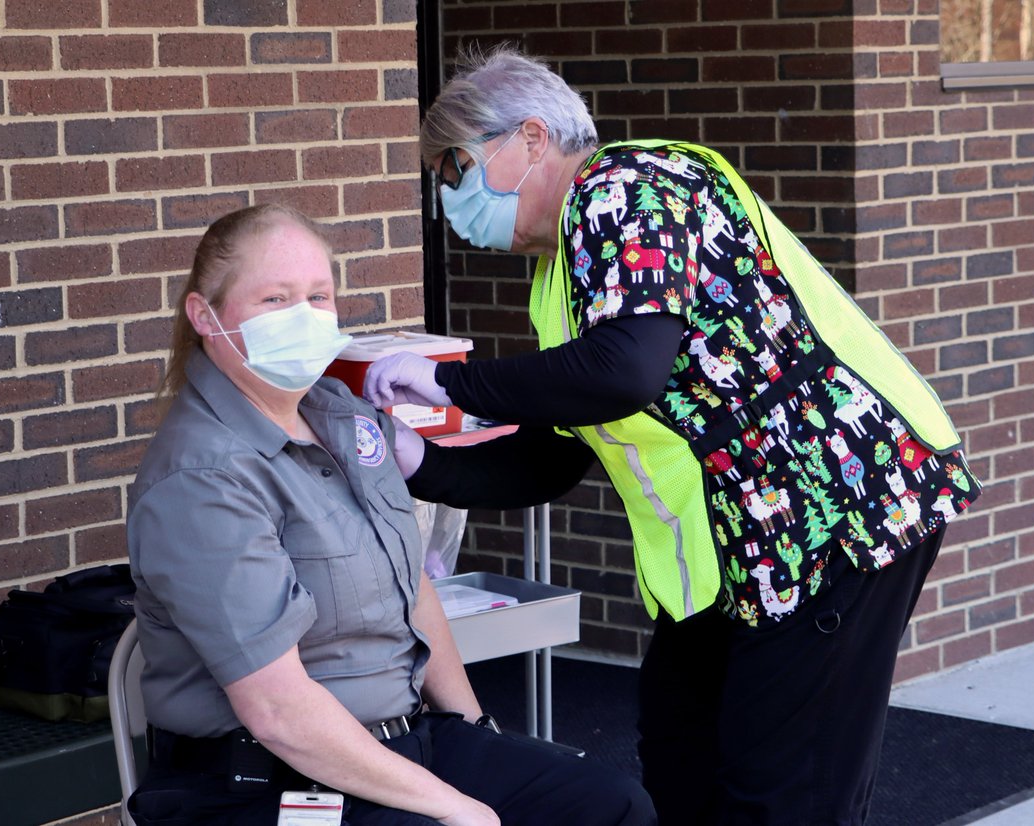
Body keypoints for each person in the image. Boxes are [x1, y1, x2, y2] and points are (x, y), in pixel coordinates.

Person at [363, 46, 982, 826]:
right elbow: (553, 457)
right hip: (733, 554)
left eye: (454, 168)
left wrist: (451, 384)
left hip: (833, 513)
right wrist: (415, 461)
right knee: (681, 754)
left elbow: (626, 371)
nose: (449, 197)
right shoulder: (561, 275)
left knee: (783, 789)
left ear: (528, 139)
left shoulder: (630, 187)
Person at [125, 203, 656, 826]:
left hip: (403, 743)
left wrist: (475, 730)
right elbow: (278, 712)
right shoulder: (202, 477)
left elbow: (414, 586)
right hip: (260, 784)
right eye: (274, 299)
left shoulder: (343, 418)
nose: (303, 316)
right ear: (204, 316)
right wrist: (458, 807)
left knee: (610, 805)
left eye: (317, 296)